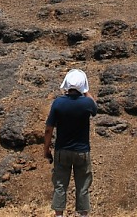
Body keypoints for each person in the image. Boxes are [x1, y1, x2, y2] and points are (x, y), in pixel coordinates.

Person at [44, 69, 98, 217]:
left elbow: (49, 129)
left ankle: (59, 215)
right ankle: (83, 215)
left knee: (60, 186)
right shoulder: (87, 103)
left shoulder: (58, 103)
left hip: (62, 151)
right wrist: (86, 91)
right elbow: (95, 108)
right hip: (82, 151)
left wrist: (46, 149)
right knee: (83, 187)